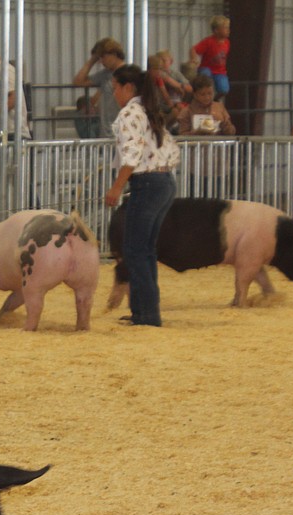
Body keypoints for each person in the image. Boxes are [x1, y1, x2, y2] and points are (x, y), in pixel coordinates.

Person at [104, 64, 179, 328]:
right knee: (144, 250)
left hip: (147, 183)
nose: (114, 94)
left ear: (128, 87)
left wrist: (116, 188)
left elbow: (132, 156)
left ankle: (146, 315)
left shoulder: (130, 114)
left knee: (135, 250)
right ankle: (145, 312)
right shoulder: (148, 111)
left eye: (115, 88)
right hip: (164, 181)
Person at [72, 37, 127, 137]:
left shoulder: (128, 74)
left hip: (121, 133)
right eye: (99, 58)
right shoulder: (105, 75)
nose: (101, 61)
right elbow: (78, 81)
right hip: (106, 133)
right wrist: (92, 60)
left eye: (103, 57)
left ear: (114, 54)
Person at [190, 15, 230, 102]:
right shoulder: (209, 41)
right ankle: (201, 98)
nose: (228, 30)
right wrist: (193, 59)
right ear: (216, 30)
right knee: (205, 79)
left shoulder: (227, 43)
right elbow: (194, 49)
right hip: (207, 67)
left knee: (224, 90)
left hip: (220, 71)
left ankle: (214, 100)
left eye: (228, 28)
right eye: (225, 28)